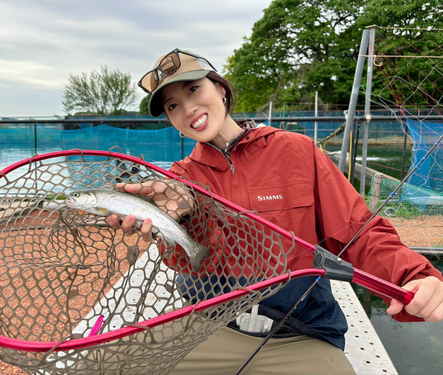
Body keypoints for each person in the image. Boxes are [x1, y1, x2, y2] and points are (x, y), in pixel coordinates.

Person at [107, 48, 443, 375]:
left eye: (194, 89)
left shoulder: (297, 150)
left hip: (300, 332)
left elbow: (359, 231)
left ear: (220, 88)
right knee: (114, 366)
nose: (188, 107)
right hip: (211, 327)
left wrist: (412, 276)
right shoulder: (178, 178)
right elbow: (188, 262)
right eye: (173, 105)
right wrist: (182, 219)